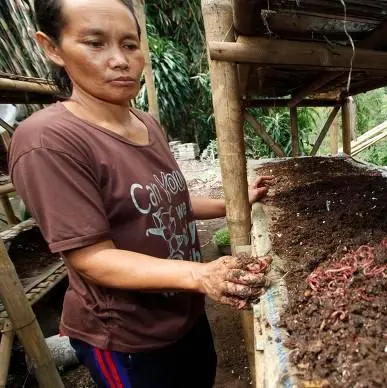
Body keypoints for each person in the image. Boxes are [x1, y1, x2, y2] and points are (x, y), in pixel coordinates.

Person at [9, 0, 272, 386]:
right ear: (52, 47)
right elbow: (92, 258)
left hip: (184, 314)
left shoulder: (145, 122)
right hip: (127, 337)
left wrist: (233, 201)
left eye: (130, 44)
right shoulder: (48, 140)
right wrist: (201, 275)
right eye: (95, 43)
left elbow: (164, 203)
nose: (119, 60)